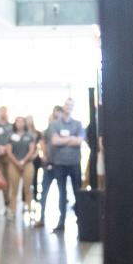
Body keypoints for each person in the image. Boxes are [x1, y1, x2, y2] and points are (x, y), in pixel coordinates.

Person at [47, 98, 85, 233]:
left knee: (77, 192)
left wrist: (65, 140)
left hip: (74, 163)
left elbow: (79, 141)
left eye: (71, 105)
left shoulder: (78, 124)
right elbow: (55, 141)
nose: (68, 107)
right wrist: (71, 139)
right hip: (59, 164)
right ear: (62, 106)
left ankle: (81, 220)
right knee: (62, 193)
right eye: (67, 104)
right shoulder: (55, 125)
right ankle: (61, 221)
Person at [34, 105, 61, 228]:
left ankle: (61, 221)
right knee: (44, 191)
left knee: (62, 192)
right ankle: (41, 217)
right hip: (49, 165)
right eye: (54, 115)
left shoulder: (63, 129)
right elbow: (42, 142)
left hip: (61, 165)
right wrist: (45, 155)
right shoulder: (47, 131)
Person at [6, 116, 36, 218]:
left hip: (27, 163)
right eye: (17, 121)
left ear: (24, 123)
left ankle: (30, 209)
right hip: (14, 164)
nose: (20, 123)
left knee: (28, 188)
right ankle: (12, 211)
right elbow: (9, 151)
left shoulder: (29, 136)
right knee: (13, 188)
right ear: (15, 123)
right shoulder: (11, 136)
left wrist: (23, 161)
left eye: (22, 121)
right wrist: (17, 162)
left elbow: (32, 149)